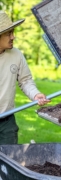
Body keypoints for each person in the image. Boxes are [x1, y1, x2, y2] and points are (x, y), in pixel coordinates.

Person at [0, 10, 50, 144]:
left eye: (13, 32)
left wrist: (35, 94)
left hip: (7, 121)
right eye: (8, 33)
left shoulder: (16, 55)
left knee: (9, 160)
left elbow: (25, 80)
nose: (13, 37)